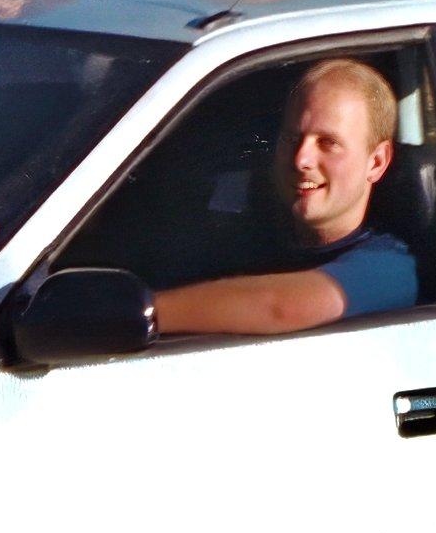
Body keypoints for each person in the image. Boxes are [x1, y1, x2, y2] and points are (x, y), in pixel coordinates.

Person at [156, 59, 417, 336]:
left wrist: (147, 313)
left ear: (376, 162)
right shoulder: (248, 242)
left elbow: (278, 308)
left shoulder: (390, 271)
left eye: (328, 143)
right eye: (292, 139)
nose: (301, 159)